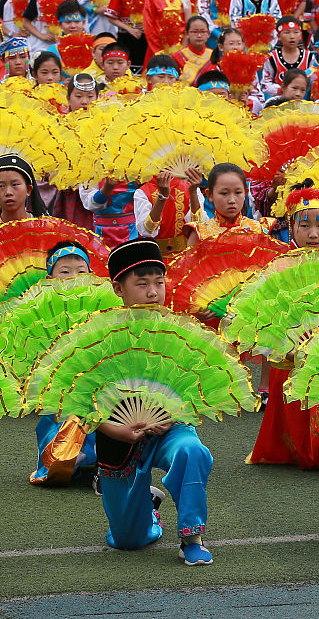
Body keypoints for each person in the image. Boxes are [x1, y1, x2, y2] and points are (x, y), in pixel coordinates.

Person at [96, 238, 215, 564]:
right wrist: (116, 430)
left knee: (193, 451)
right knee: (127, 542)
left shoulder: (179, 331)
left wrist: (177, 413)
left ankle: (192, 537)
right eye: (142, 283)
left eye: (159, 283)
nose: (153, 292)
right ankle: (147, 511)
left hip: (170, 430)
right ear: (118, 288)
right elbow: (78, 403)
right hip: (117, 440)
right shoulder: (99, 337)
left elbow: (199, 387)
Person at [246, 187, 319, 469]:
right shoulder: (278, 270)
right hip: (288, 358)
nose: (313, 234)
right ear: (292, 230)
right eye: (305, 226)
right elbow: (263, 320)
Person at [29, 242, 100, 486]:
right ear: (50, 278)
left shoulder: (102, 304)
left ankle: (95, 459)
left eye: (81, 271)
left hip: (94, 382)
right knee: (59, 420)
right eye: (65, 272)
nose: (74, 277)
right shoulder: (41, 311)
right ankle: (62, 458)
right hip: (57, 388)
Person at [183, 163, 272, 245]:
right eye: (224, 193)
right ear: (210, 195)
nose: (232, 200)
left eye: (238, 192)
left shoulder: (258, 230)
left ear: (245, 193)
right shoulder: (201, 233)